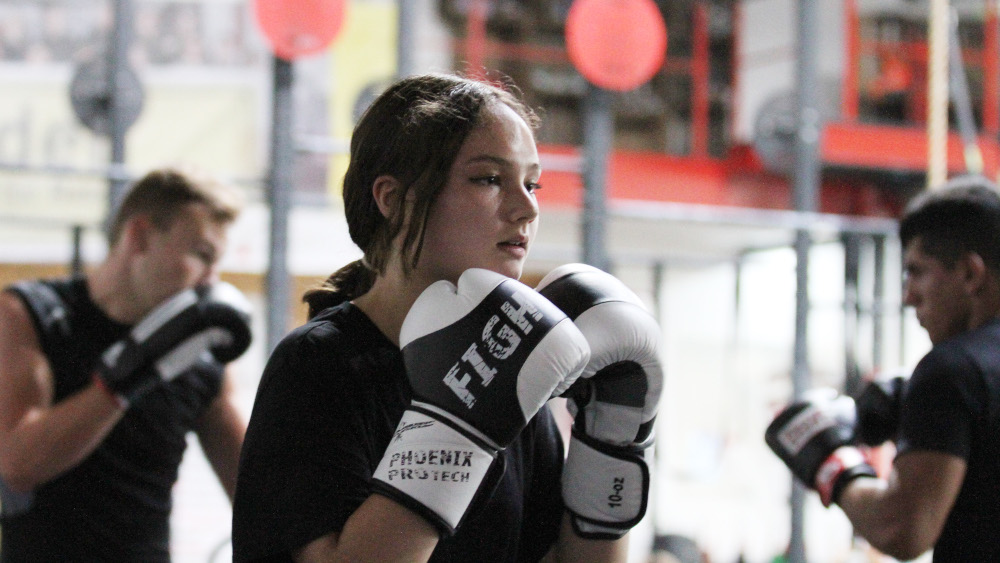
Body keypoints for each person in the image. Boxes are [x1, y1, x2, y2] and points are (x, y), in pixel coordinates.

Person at [231, 73, 662, 563]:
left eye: (532, 183)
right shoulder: (318, 367)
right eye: (489, 179)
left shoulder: (515, 362)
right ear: (393, 200)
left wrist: (611, 441)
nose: (525, 208)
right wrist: (457, 424)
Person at [0, 167, 254, 561]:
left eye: (216, 263)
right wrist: (132, 373)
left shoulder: (198, 359)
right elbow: (17, 464)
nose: (210, 280)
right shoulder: (32, 315)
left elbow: (257, 498)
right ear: (139, 236)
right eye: (201, 255)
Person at [765, 174, 1000, 561]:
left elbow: (902, 529)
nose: (908, 297)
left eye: (916, 272)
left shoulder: (953, 371)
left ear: (971, 274)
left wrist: (836, 467)